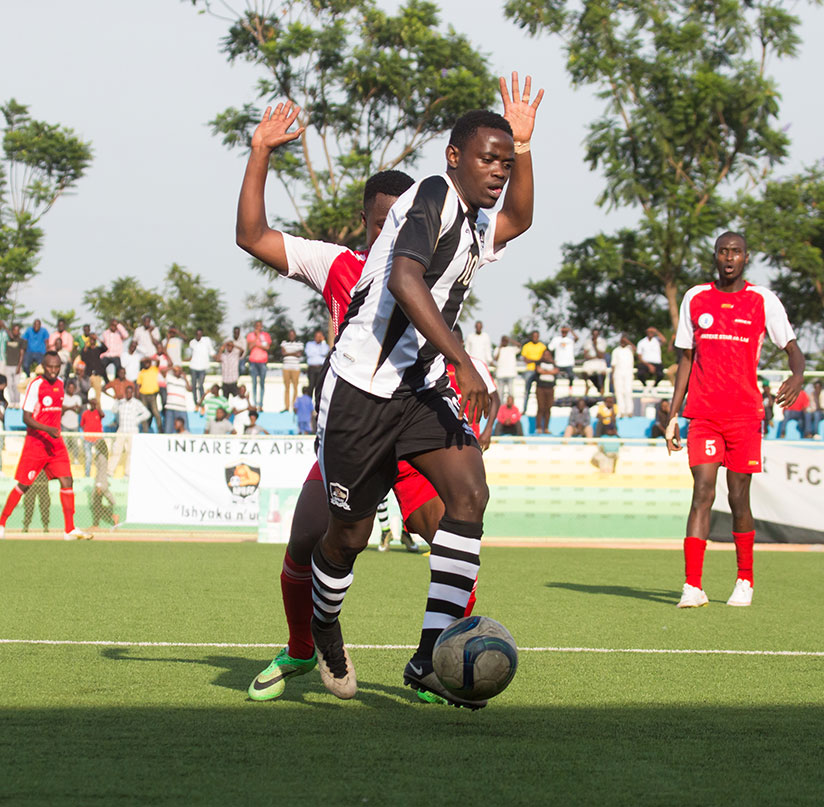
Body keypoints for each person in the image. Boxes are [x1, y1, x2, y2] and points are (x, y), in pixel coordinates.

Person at [234, 90, 542, 707]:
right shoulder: (429, 196)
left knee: (469, 495)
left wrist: (525, 146)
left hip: (420, 390)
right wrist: (462, 359)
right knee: (343, 540)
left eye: (504, 164)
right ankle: (322, 628)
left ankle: (430, 658)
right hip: (361, 396)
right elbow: (404, 277)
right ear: (452, 158)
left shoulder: (473, 222)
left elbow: (521, 217)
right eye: (488, 160)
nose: (499, 172)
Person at [666, 231, 805, 609]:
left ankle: (745, 579)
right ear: (715, 256)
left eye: (736, 252)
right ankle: (692, 586)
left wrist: (797, 375)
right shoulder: (696, 297)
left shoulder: (763, 300)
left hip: (744, 415)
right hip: (704, 414)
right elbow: (685, 359)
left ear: (746, 257)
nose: (729, 258)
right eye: (723, 252)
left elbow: (793, 349)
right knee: (702, 492)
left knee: (739, 496)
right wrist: (674, 414)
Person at [0, 351, 91, 540]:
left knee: (67, 480)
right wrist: (48, 428)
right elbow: (26, 418)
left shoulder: (60, 384)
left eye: (57, 367)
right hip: (36, 444)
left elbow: (54, 410)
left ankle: (69, 530)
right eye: (50, 366)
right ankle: (2, 522)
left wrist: (56, 425)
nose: (53, 370)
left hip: (55, 444)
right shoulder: (36, 385)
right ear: (43, 366)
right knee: (24, 485)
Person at [108, 385, 151, 476]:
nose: (128, 394)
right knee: (116, 451)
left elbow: (147, 413)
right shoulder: (121, 402)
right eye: (127, 392)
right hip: (122, 429)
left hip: (132, 431)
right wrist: (117, 401)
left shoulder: (136, 403)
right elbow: (113, 411)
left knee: (130, 452)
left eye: (130, 392)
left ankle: (128, 473)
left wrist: (137, 420)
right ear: (125, 393)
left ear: (132, 393)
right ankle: (110, 472)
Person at [246, 320, 272, 410]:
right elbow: (250, 347)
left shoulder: (266, 335)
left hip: (263, 362)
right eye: (256, 326)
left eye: (259, 326)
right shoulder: (250, 335)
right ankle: (254, 404)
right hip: (253, 362)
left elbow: (267, 347)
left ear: (261, 327)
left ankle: (260, 404)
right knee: (254, 384)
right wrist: (257, 338)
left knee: (262, 384)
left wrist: (257, 344)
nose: (258, 327)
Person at [520, 330, 547, 412]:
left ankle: (541, 410)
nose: (535, 338)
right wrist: (537, 360)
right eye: (534, 336)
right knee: (527, 391)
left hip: (539, 370)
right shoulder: (526, 346)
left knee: (541, 391)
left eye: (537, 336)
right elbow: (526, 360)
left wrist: (532, 360)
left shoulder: (542, 346)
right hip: (530, 370)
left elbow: (544, 358)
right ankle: (524, 409)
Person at [610, 334, 636, 417]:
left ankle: (629, 411)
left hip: (628, 373)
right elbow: (613, 364)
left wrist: (628, 342)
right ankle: (621, 411)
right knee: (619, 392)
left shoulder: (630, 349)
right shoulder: (616, 351)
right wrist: (612, 376)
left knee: (628, 392)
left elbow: (636, 350)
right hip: (618, 373)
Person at [534, 348, 557, 434]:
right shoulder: (539, 362)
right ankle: (539, 427)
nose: (546, 356)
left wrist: (544, 371)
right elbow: (539, 370)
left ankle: (546, 427)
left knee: (548, 408)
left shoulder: (553, 363)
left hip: (550, 388)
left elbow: (556, 371)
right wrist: (550, 372)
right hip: (541, 388)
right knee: (541, 407)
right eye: (545, 354)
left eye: (548, 355)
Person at [188, 328, 214, 405]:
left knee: (201, 385)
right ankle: (195, 402)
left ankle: (202, 402)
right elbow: (191, 354)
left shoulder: (206, 340)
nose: (198, 336)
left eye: (200, 334)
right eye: (197, 334)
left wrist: (216, 356)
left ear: (202, 334)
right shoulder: (192, 342)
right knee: (193, 386)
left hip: (202, 367)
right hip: (193, 367)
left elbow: (211, 351)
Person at [548, 325, 577, 394]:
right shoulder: (556, 339)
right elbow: (549, 349)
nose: (564, 332)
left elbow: (576, 338)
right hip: (558, 363)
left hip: (569, 363)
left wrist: (571, 330)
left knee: (571, 376)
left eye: (565, 331)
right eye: (563, 331)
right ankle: (553, 389)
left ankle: (570, 390)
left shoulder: (570, 339)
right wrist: (551, 360)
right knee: (554, 376)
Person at [280, 328, 303, 413]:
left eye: (293, 335)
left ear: (295, 335)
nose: (291, 336)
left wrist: (288, 353)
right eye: (290, 335)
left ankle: (294, 406)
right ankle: (286, 407)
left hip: (295, 367)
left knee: (295, 387)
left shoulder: (299, 344)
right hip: (286, 367)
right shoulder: (284, 343)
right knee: (287, 388)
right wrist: (294, 353)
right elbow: (283, 353)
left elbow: (299, 354)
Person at [136, 358, 162, 433]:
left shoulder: (154, 369)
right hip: (143, 395)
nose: (146, 363)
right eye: (145, 362)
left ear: (150, 362)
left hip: (153, 395)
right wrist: (137, 394)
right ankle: (145, 431)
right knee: (144, 413)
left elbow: (158, 361)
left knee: (156, 413)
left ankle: (160, 431)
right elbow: (138, 385)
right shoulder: (141, 372)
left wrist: (149, 358)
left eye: (148, 362)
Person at [164, 365, 191, 434]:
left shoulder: (183, 380)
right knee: (168, 430)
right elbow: (162, 372)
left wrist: (185, 377)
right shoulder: (169, 378)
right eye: (176, 371)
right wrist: (172, 367)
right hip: (170, 408)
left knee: (185, 430)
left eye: (179, 371)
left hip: (181, 408)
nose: (178, 372)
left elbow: (190, 389)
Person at [81, 397, 104, 478]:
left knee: (98, 458)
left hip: (97, 439)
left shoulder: (98, 412)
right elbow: (82, 424)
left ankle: (99, 475)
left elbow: (102, 415)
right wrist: (87, 432)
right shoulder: (85, 413)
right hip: (88, 439)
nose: (93, 405)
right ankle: (87, 475)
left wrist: (98, 405)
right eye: (92, 403)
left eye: (94, 404)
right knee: (88, 458)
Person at [81, 332, 109, 399]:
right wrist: (87, 342)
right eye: (91, 340)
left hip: (97, 375)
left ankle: (98, 405)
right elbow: (83, 357)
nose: (92, 341)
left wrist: (98, 338)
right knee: (86, 392)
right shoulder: (87, 350)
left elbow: (105, 348)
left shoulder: (98, 349)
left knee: (98, 394)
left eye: (93, 340)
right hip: (88, 375)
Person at [4, 323, 26, 408]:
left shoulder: (21, 341)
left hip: (16, 366)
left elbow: (22, 354)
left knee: (16, 385)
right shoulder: (7, 340)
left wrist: (19, 366)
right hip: (8, 365)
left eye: (17, 330)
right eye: (14, 330)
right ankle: (12, 401)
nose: (15, 332)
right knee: (10, 385)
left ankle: (17, 402)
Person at [581, 327, 607, 394]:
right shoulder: (588, 342)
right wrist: (594, 357)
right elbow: (585, 355)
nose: (595, 335)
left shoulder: (602, 341)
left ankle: (602, 388)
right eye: (594, 334)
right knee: (584, 371)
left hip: (599, 361)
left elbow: (601, 356)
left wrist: (595, 346)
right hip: (590, 361)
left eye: (596, 334)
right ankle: (587, 385)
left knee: (603, 372)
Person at [493, 334, 519, 400]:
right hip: (500, 374)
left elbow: (519, 345)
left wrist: (510, 340)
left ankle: (511, 406)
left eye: (505, 340)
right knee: (500, 393)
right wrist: (500, 348)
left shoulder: (512, 349)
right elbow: (495, 358)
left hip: (510, 374)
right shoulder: (497, 349)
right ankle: (500, 406)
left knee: (511, 393)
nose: (504, 342)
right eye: (503, 340)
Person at [304, 329, 329, 397]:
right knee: (311, 386)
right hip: (312, 368)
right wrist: (319, 352)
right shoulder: (309, 344)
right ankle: (309, 402)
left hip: (320, 368)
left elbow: (324, 352)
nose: (318, 338)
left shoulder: (324, 345)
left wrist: (323, 341)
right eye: (317, 336)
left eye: (319, 336)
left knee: (319, 387)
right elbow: (309, 353)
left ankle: (317, 402)